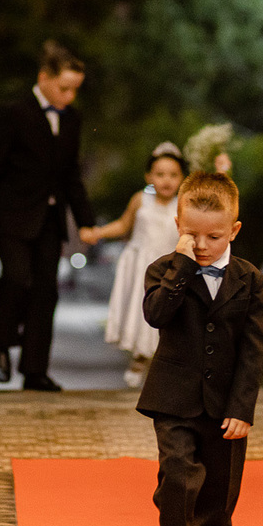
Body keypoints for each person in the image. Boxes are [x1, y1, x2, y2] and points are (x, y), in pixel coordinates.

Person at [135, 171, 263, 526]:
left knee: (219, 492)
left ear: (233, 231)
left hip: (225, 406)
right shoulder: (164, 269)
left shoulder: (250, 280)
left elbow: (253, 350)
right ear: (178, 226)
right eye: (192, 234)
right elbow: (156, 314)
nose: (203, 244)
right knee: (176, 482)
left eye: (213, 236)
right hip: (172, 400)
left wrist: (243, 408)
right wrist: (182, 264)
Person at [0, 40, 97, 391]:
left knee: (46, 292)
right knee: (16, 278)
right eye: (64, 88)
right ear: (44, 78)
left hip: (51, 219)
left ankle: (34, 369)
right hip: (12, 216)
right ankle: (2, 343)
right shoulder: (12, 113)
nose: (70, 97)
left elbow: (71, 173)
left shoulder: (72, 119)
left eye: (75, 90)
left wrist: (85, 221)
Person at [88, 141, 184, 388]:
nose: (166, 180)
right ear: (149, 176)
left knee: (168, 313)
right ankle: (139, 359)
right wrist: (98, 232)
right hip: (141, 263)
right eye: (160, 174)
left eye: (173, 175)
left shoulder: (183, 204)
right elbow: (123, 225)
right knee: (143, 312)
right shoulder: (141, 200)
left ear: (182, 177)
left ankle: (162, 364)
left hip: (170, 265)